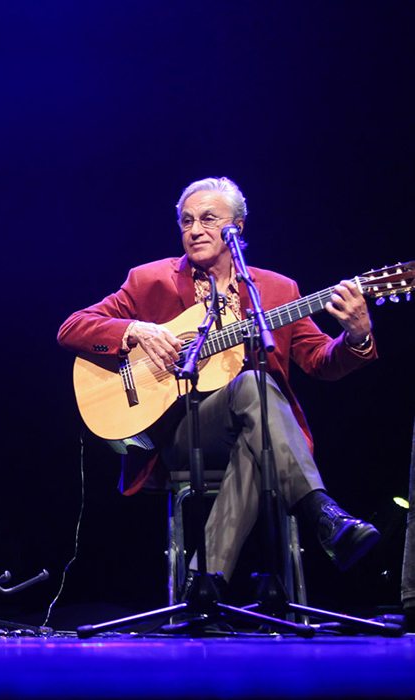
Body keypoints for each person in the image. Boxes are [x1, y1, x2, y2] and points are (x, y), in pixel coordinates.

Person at [57, 176, 379, 592]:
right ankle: (323, 513)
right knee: (252, 386)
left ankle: (203, 585)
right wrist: (135, 330)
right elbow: (72, 328)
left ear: (237, 228)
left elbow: (320, 361)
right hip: (178, 432)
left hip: (258, 431)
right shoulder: (148, 280)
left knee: (254, 431)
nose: (194, 230)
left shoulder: (279, 290)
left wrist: (357, 336)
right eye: (186, 221)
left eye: (208, 219)